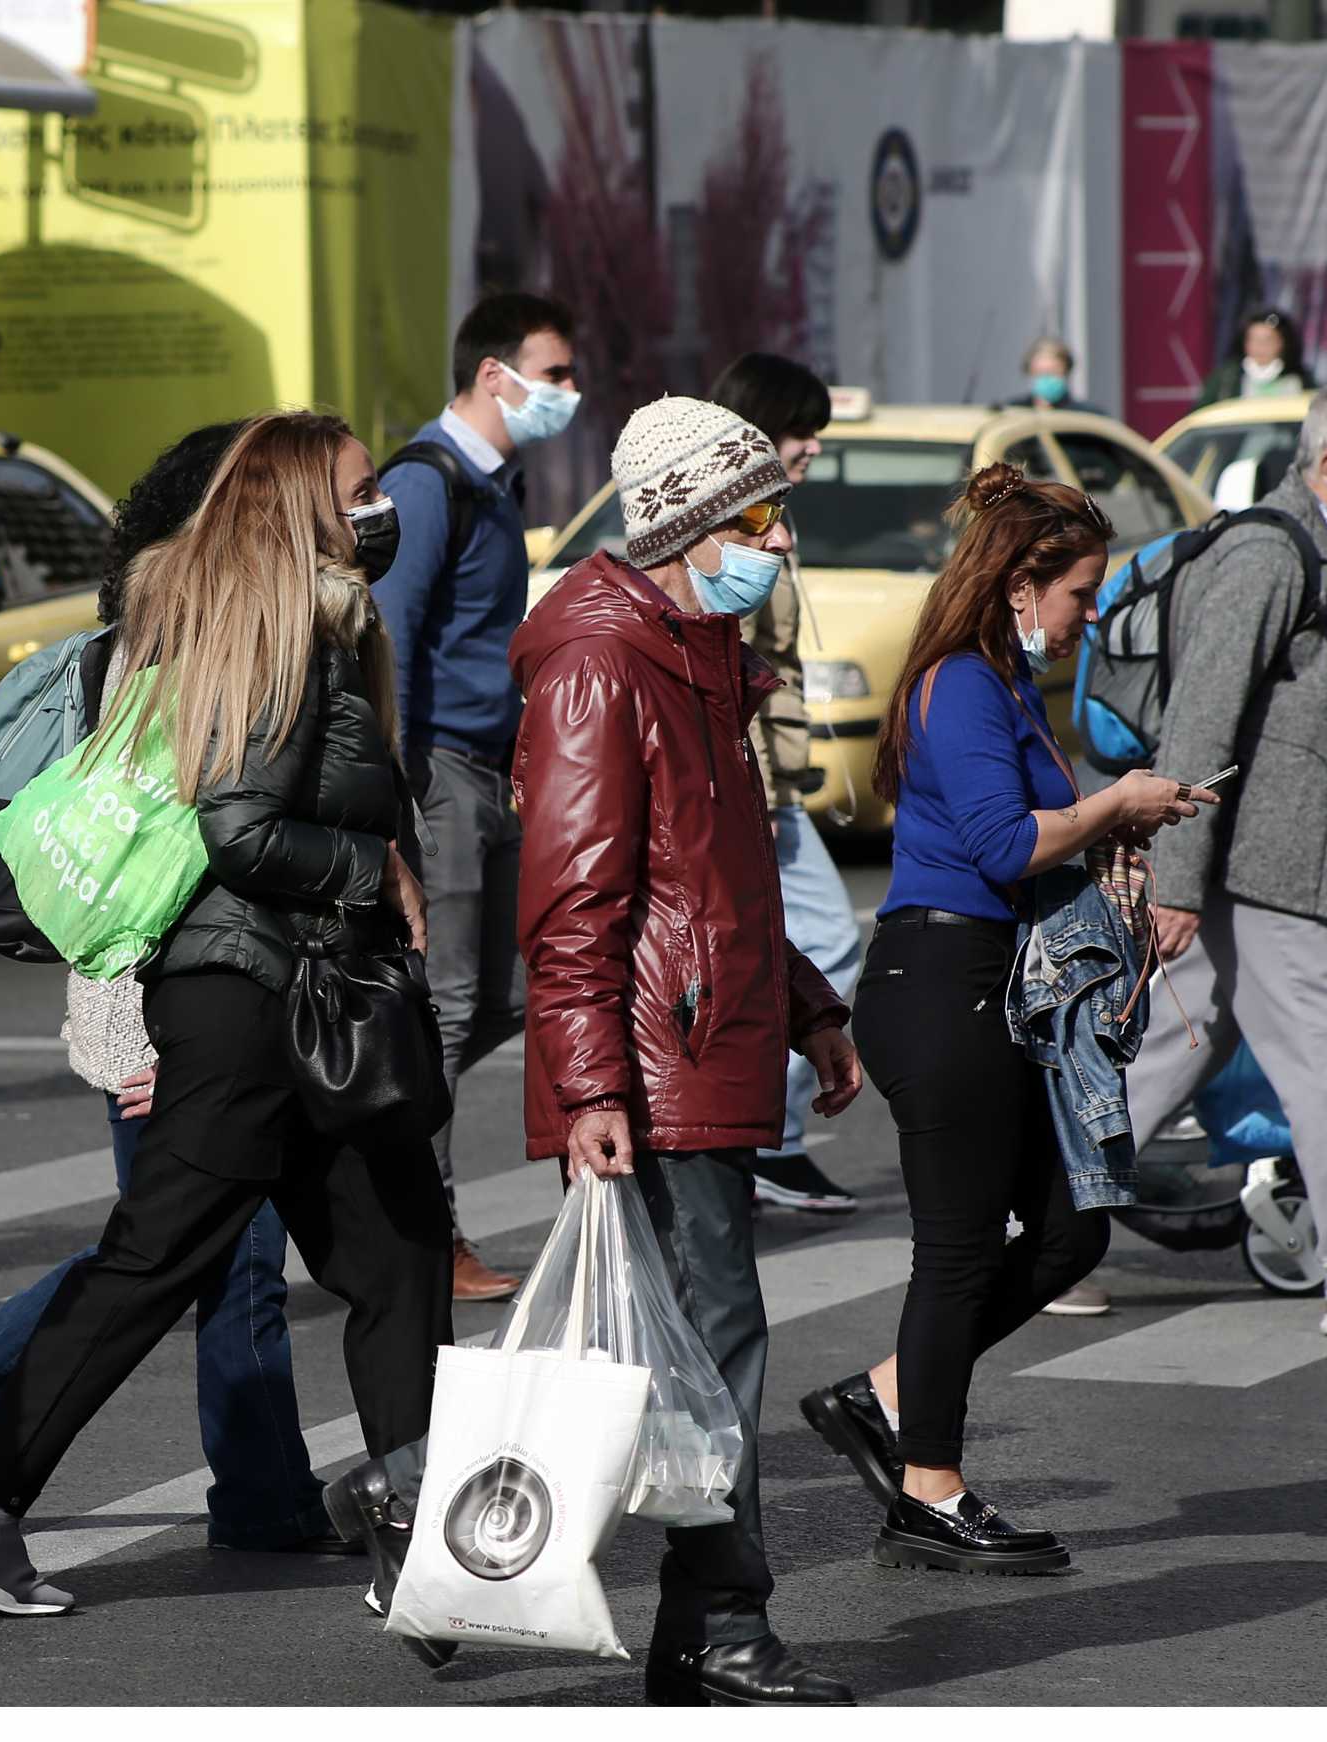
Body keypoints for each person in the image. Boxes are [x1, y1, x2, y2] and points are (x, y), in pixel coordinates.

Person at [339, 400, 866, 1706]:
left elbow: (723, 872)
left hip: (706, 1036)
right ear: (688, 524)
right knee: (713, 1336)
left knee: (654, 1352)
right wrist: (586, 1085)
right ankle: (716, 1623)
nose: (779, 540)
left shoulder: (698, 647)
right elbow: (574, 899)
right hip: (653, 1055)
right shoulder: (602, 663)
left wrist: (807, 1004)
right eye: (759, 518)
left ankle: (416, 1503)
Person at [0, 411, 452, 1616]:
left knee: (397, 1254)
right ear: (305, 506)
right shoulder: (288, 628)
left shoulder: (271, 618)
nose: (380, 509)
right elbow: (237, 829)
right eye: (359, 490)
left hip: (296, 994)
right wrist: (380, 873)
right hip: (247, 998)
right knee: (156, 1259)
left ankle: (419, 1535)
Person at [799, 465, 1207, 1575]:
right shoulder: (961, 685)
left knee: (1072, 1226)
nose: (1088, 616)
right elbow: (1001, 845)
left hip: (996, 983)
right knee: (963, 1247)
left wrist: (1113, 828)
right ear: (1023, 586)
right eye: (1079, 593)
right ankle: (928, 1488)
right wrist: (1114, 802)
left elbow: (1035, 831)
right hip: (940, 978)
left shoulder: (1003, 684)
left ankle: (881, 1398)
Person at [1119, 381, 1327, 1342]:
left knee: (1161, 1061)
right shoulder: (1271, 554)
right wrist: (1177, 880)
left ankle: (1022, 1225)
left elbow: (1307, 716)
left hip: (1281, 862)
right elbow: (1201, 721)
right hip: (1258, 865)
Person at [374, 290, 581, 1302]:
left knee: (494, 998)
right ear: (493, 375)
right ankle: (422, 1226)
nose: (568, 393)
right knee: (448, 1010)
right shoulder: (426, 482)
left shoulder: (496, 484)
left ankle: (385, 1181)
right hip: (438, 773)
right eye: (554, 374)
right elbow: (390, 643)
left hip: (490, 768)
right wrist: (397, 805)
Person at [707, 352, 865, 1216]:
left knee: (798, 951)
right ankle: (764, 1134)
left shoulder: (765, 514)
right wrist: (759, 792)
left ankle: (766, 1137)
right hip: (753, 784)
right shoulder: (732, 520)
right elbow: (730, 667)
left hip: (773, 779)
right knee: (824, 945)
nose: (811, 448)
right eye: (799, 431)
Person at [1198, 307, 1309, 406]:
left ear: (1283, 343)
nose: (1260, 347)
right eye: (1254, 340)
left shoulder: (1302, 379)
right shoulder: (1226, 378)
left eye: (1268, 340)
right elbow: (1200, 414)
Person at [1009, 338, 1103, 416]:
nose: (1046, 378)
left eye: (1052, 372)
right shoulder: (1012, 413)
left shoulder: (1085, 416)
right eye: (1040, 372)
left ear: (1066, 372)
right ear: (1030, 372)